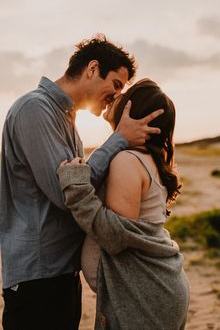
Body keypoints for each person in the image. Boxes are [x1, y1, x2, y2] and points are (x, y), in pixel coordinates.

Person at [0, 36, 163, 330]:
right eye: (115, 84)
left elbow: (81, 183)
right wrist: (119, 140)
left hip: (61, 274)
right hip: (38, 278)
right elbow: (66, 192)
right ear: (92, 68)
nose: (116, 96)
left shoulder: (67, 119)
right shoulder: (34, 109)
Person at [58, 79, 190, 330]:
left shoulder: (127, 160)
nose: (117, 94)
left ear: (133, 109)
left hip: (146, 295)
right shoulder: (142, 158)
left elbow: (114, 234)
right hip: (152, 289)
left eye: (125, 92)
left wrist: (75, 188)